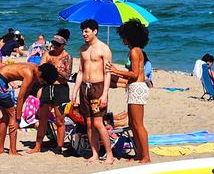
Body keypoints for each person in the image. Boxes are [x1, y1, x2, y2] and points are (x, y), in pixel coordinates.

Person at [0, 63, 58, 155]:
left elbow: (26, 93)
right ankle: (12, 151)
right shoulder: (29, 73)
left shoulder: (34, 70)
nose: (41, 83)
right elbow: (20, 97)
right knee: (13, 116)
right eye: (43, 81)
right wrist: (18, 118)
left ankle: (0, 149)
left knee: (6, 116)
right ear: (40, 74)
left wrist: (18, 109)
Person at [107, 18, 151, 164]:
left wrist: (116, 70)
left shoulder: (134, 51)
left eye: (124, 37)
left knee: (138, 124)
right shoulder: (137, 51)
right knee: (132, 123)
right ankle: (139, 154)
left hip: (137, 88)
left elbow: (134, 74)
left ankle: (146, 156)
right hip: (134, 87)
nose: (122, 40)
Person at [70, 19, 114, 164]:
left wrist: (104, 94)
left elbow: (107, 73)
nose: (84, 34)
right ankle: (94, 153)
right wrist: (74, 91)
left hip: (97, 88)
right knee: (88, 123)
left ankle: (109, 154)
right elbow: (80, 71)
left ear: (95, 31)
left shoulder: (104, 48)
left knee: (98, 123)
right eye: (83, 31)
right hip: (84, 88)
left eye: (87, 31)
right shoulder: (83, 49)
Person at [27, 29, 72, 155]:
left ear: (63, 45)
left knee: (59, 120)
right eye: (53, 44)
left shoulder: (67, 56)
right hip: (48, 87)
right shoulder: (47, 54)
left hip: (60, 89)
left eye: (58, 45)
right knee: (42, 118)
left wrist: (55, 70)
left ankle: (59, 146)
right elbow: (40, 70)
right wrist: (51, 69)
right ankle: (37, 146)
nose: (55, 47)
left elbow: (66, 76)